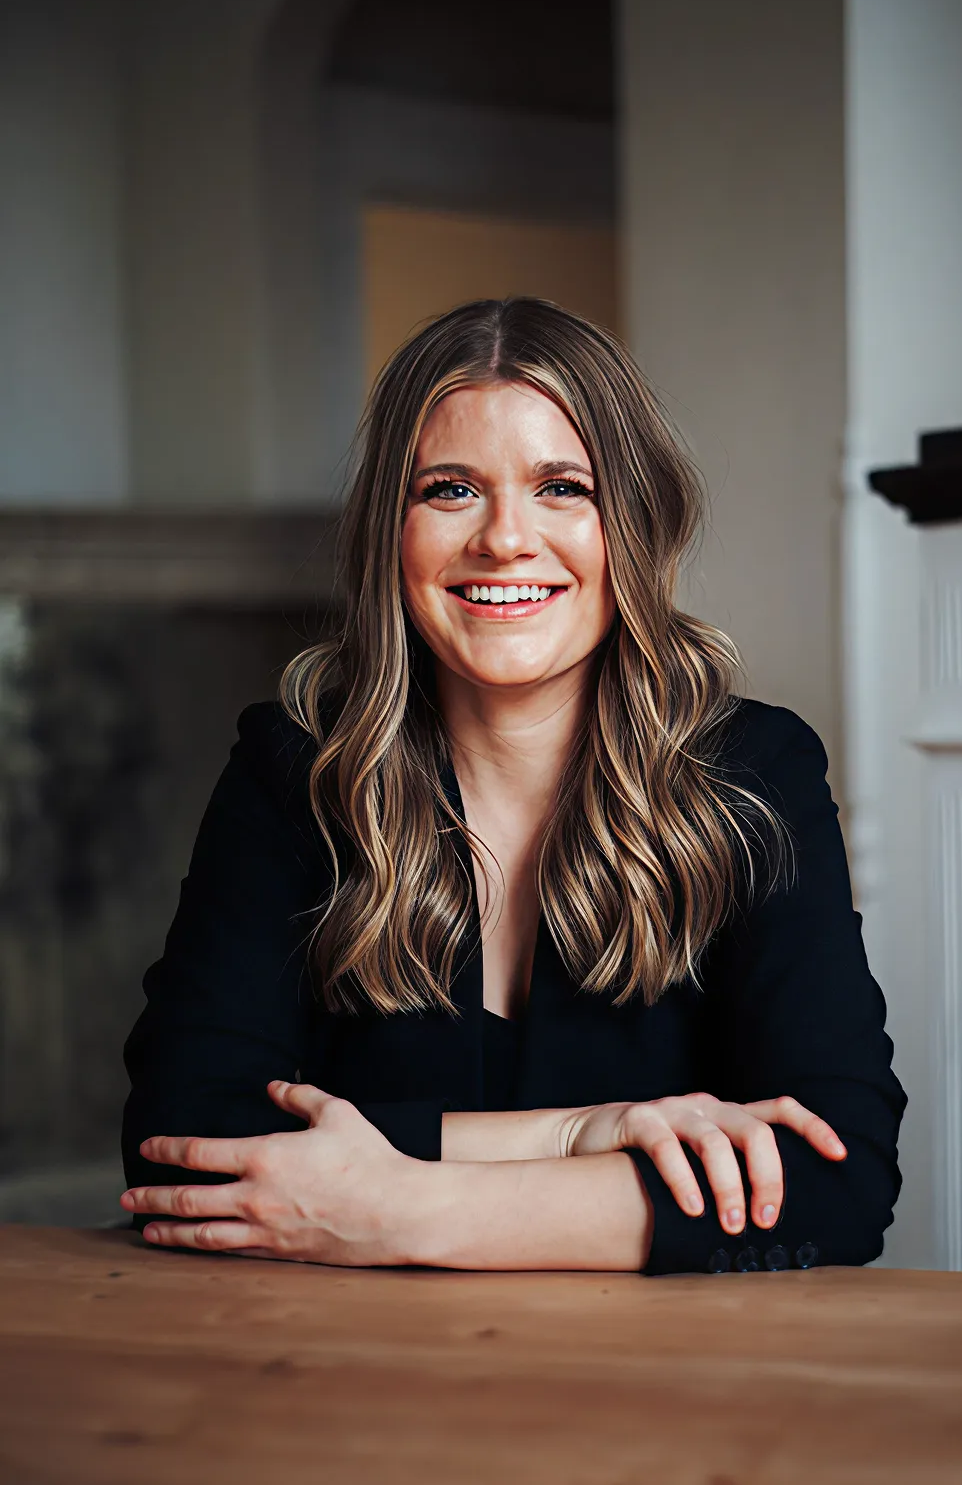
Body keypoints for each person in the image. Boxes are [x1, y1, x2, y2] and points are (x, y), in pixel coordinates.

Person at [120, 297, 905, 1275]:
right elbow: (184, 1143)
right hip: (346, 1383)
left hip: (666, 1396)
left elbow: (836, 1173)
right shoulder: (294, 773)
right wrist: (581, 1136)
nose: (504, 539)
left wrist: (404, 1209)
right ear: (387, 534)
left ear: (632, 523)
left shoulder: (754, 777)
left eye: (561, 487)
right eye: (450, 489)